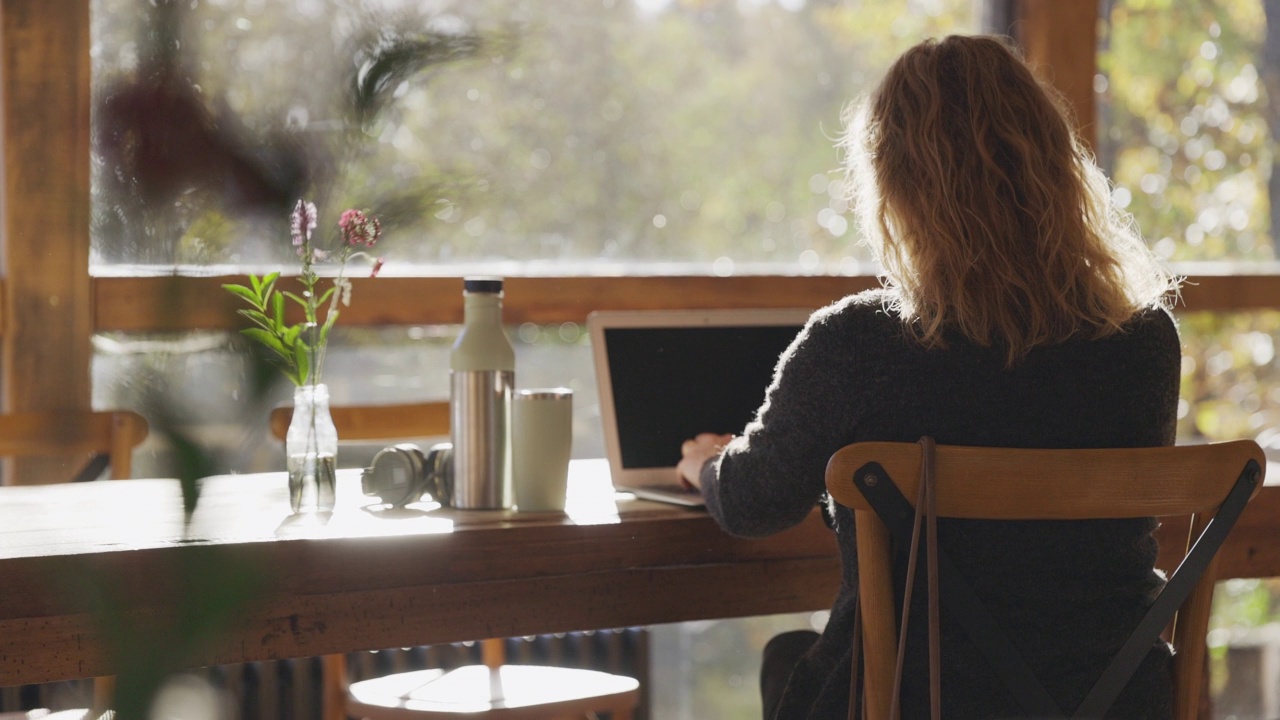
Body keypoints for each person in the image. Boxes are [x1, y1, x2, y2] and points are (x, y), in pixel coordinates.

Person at [677, 35, 1180, 719]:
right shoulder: (1143, 344)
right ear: (1058, 165)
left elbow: (755, 503)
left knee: (791, 660)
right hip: (1113, 697)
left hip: (926, 699)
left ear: (895, 183)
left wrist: (708, 464)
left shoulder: (859, 342)